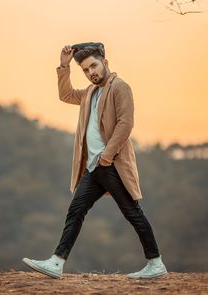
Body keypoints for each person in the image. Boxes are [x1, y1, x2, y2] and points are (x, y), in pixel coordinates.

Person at [22, 42, 167, 279]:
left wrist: (107, 157)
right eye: (86, 70)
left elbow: (125, 123)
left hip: (111, 165)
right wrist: (63, 66)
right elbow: (66, 95)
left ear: (105, 63)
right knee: (76, 211)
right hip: (93, 167)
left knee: (132, 212)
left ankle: (155, 263)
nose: (91, 73)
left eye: (94, 66)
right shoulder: (90, 92)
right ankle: (57, 262)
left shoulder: (120, 87)